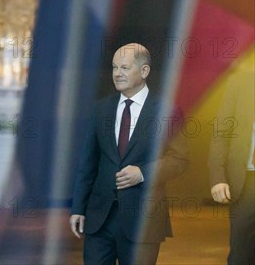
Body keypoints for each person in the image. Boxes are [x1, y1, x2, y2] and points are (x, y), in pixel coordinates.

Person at [70, 43, 189, 265]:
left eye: (124, 67)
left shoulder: (166, 112)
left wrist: (143, 173)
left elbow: (180, 160)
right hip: (99, 220)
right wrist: (78, 208)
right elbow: (88, 163)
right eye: (115, 67)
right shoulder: (101, 109)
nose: (117, 73)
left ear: (144, 71)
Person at [208, 71, 254, 265]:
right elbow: (221, 133)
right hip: (245, 184)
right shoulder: (240, 81)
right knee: (241, 256)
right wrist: (217, 177)